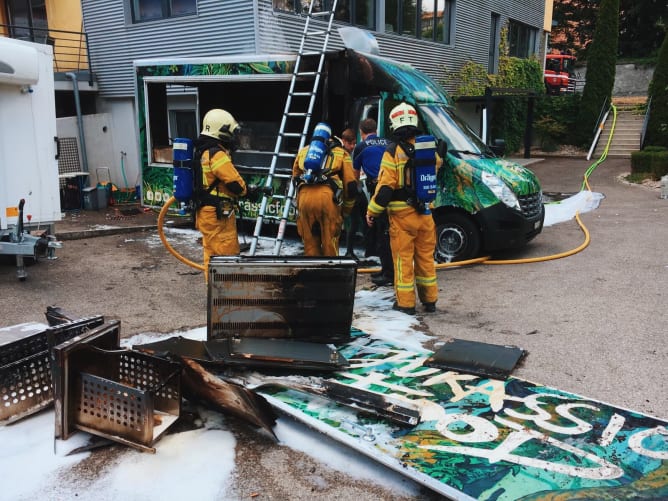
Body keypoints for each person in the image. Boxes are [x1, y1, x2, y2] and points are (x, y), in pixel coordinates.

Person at [366, 103, 440, 315]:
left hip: (402, 217)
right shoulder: (427, 148)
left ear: (393, 124)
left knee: (403, 261)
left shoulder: (393, 152)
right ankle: (430, 300)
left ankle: (406, 304)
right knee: (426, 259)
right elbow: (437, 167)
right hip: (426, 215)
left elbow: (385, 189)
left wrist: (372, 211)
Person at [193, 108, 248, 279]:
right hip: (218, 217)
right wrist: (247, 190)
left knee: (211, 257)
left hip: (205, 213)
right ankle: (227, 298)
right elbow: (236, 185)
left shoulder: (202, 151)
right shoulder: (217, 154)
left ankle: (213, 295)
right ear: (221, 131)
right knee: (227, 258)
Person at [292, 124, 356, 256]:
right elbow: (351, 186)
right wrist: (346, 211)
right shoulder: (341, 153)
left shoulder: (304, 151)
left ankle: (312, 274)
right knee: (329, 244)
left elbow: (295, 178)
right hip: (328, 199)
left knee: (310, 244)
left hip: (304, 197)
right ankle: (330, 274)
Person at [352, 118, 393, 285]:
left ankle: (388, 274)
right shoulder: (389, 142)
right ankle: (389, 270)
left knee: (382, 232)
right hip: (393, 189)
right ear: (376, 130)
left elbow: (355, 176)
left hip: (378, 189)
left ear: (362, 133)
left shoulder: (361, 147)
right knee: (391, 231)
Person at [340, 128, 366, 259]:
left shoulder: (352, 152)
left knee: (365, 218)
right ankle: (349, 251)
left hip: (357, 188)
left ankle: (369, 247)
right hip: (350, 191)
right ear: (343, 141)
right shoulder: (341, 154)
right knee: (354, 222)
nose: (352, 146)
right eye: (350, 143)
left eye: (354, 143)